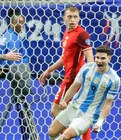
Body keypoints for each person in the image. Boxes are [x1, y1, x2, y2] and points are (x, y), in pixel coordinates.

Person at [39, 6, 94, 140]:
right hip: (68, 77)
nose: (72, 20)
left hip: (75, 79)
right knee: (70, 113)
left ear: (79, 18)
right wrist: (49, 70)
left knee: (57, 111)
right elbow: (66, 57)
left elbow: (90, 59)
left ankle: (72, 134)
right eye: (69, 17)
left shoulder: (82, 34)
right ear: (64, 18)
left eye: (75, 17)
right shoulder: (67, 33)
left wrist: (89, 78)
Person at [48, 45, 121, 140]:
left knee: (65, 136)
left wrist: (99, 122)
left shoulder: (114, 80)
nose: (99, 61)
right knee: (52, 132)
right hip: (73, 107)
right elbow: (75, 86)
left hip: (88, 115)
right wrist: (65, 100)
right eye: (97, 57)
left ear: (109, 59)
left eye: (103, 58)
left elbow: (108, 103)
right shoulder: (87, 68)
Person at [0, 8, 37, 140]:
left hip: (15, 76)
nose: (21, 25)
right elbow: (12, 58)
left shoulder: (6, 36)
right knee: (23, 103)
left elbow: (0, 52)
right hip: (19, 76)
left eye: (22, 22)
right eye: (18, 22)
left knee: (19, 102)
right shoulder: (14, 39)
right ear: (12, 23)